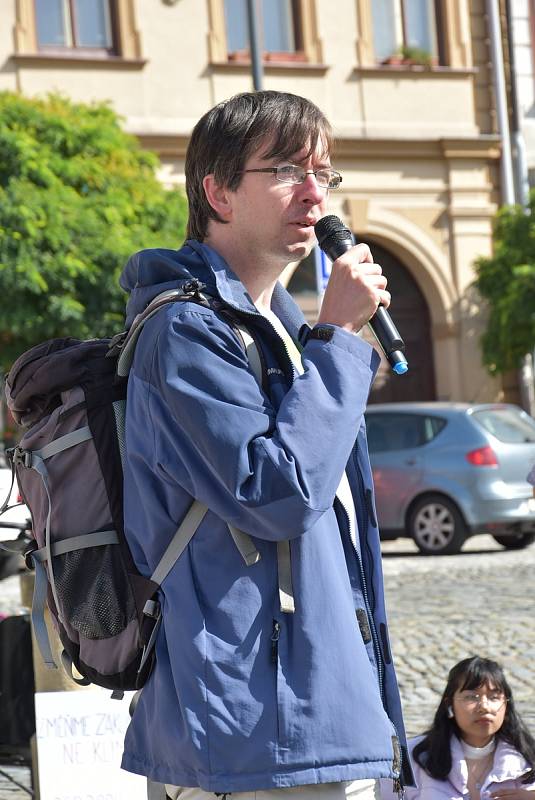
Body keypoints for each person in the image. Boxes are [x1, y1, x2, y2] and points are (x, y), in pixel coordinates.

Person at [119, 90, 413, 800]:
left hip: (318, 719)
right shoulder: (184, 333)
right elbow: (274, 495)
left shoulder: (278, 331)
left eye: (324, 171)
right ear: (217, 191)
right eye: (284, 168)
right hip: (247, 732)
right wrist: (340, 340)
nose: (315, 192)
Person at [381, 656, 535, 799]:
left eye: (494, 697)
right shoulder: (414, 756)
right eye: (471, 697)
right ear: (450, 704)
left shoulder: (528, 759)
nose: (484, 707)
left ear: (506, 705)